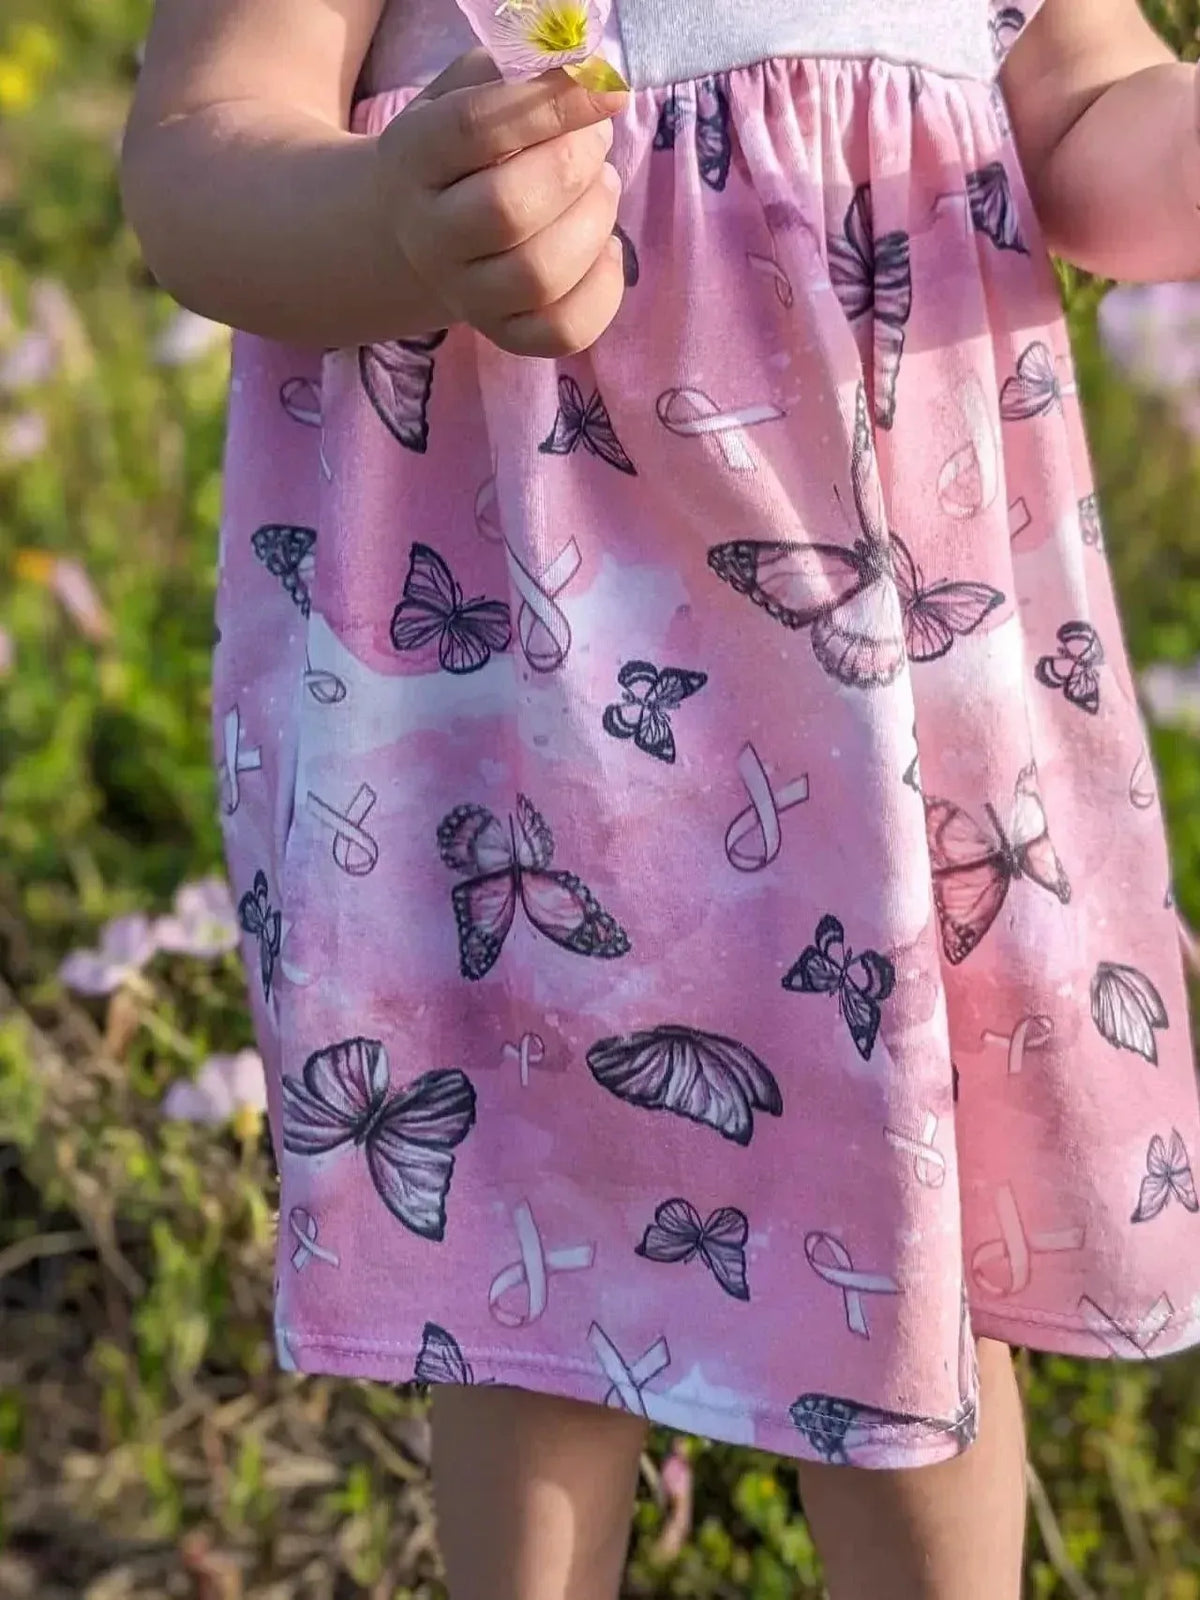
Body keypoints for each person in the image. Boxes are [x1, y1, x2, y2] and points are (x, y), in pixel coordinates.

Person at [120, 1, 1200, 1595]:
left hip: (900, 726)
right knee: (525, 1282)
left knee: (920, 1285)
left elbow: (1085, 104)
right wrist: (386, 219)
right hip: (512, 726)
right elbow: (198, 150)